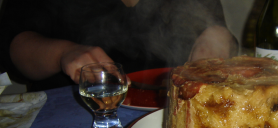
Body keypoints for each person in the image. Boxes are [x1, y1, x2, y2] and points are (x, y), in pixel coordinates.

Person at [0, 0, 238, 91]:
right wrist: (63, 53)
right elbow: (16, 47)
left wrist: (219, 36)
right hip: (71, 119)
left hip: (166, 114)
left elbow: (214, 38)